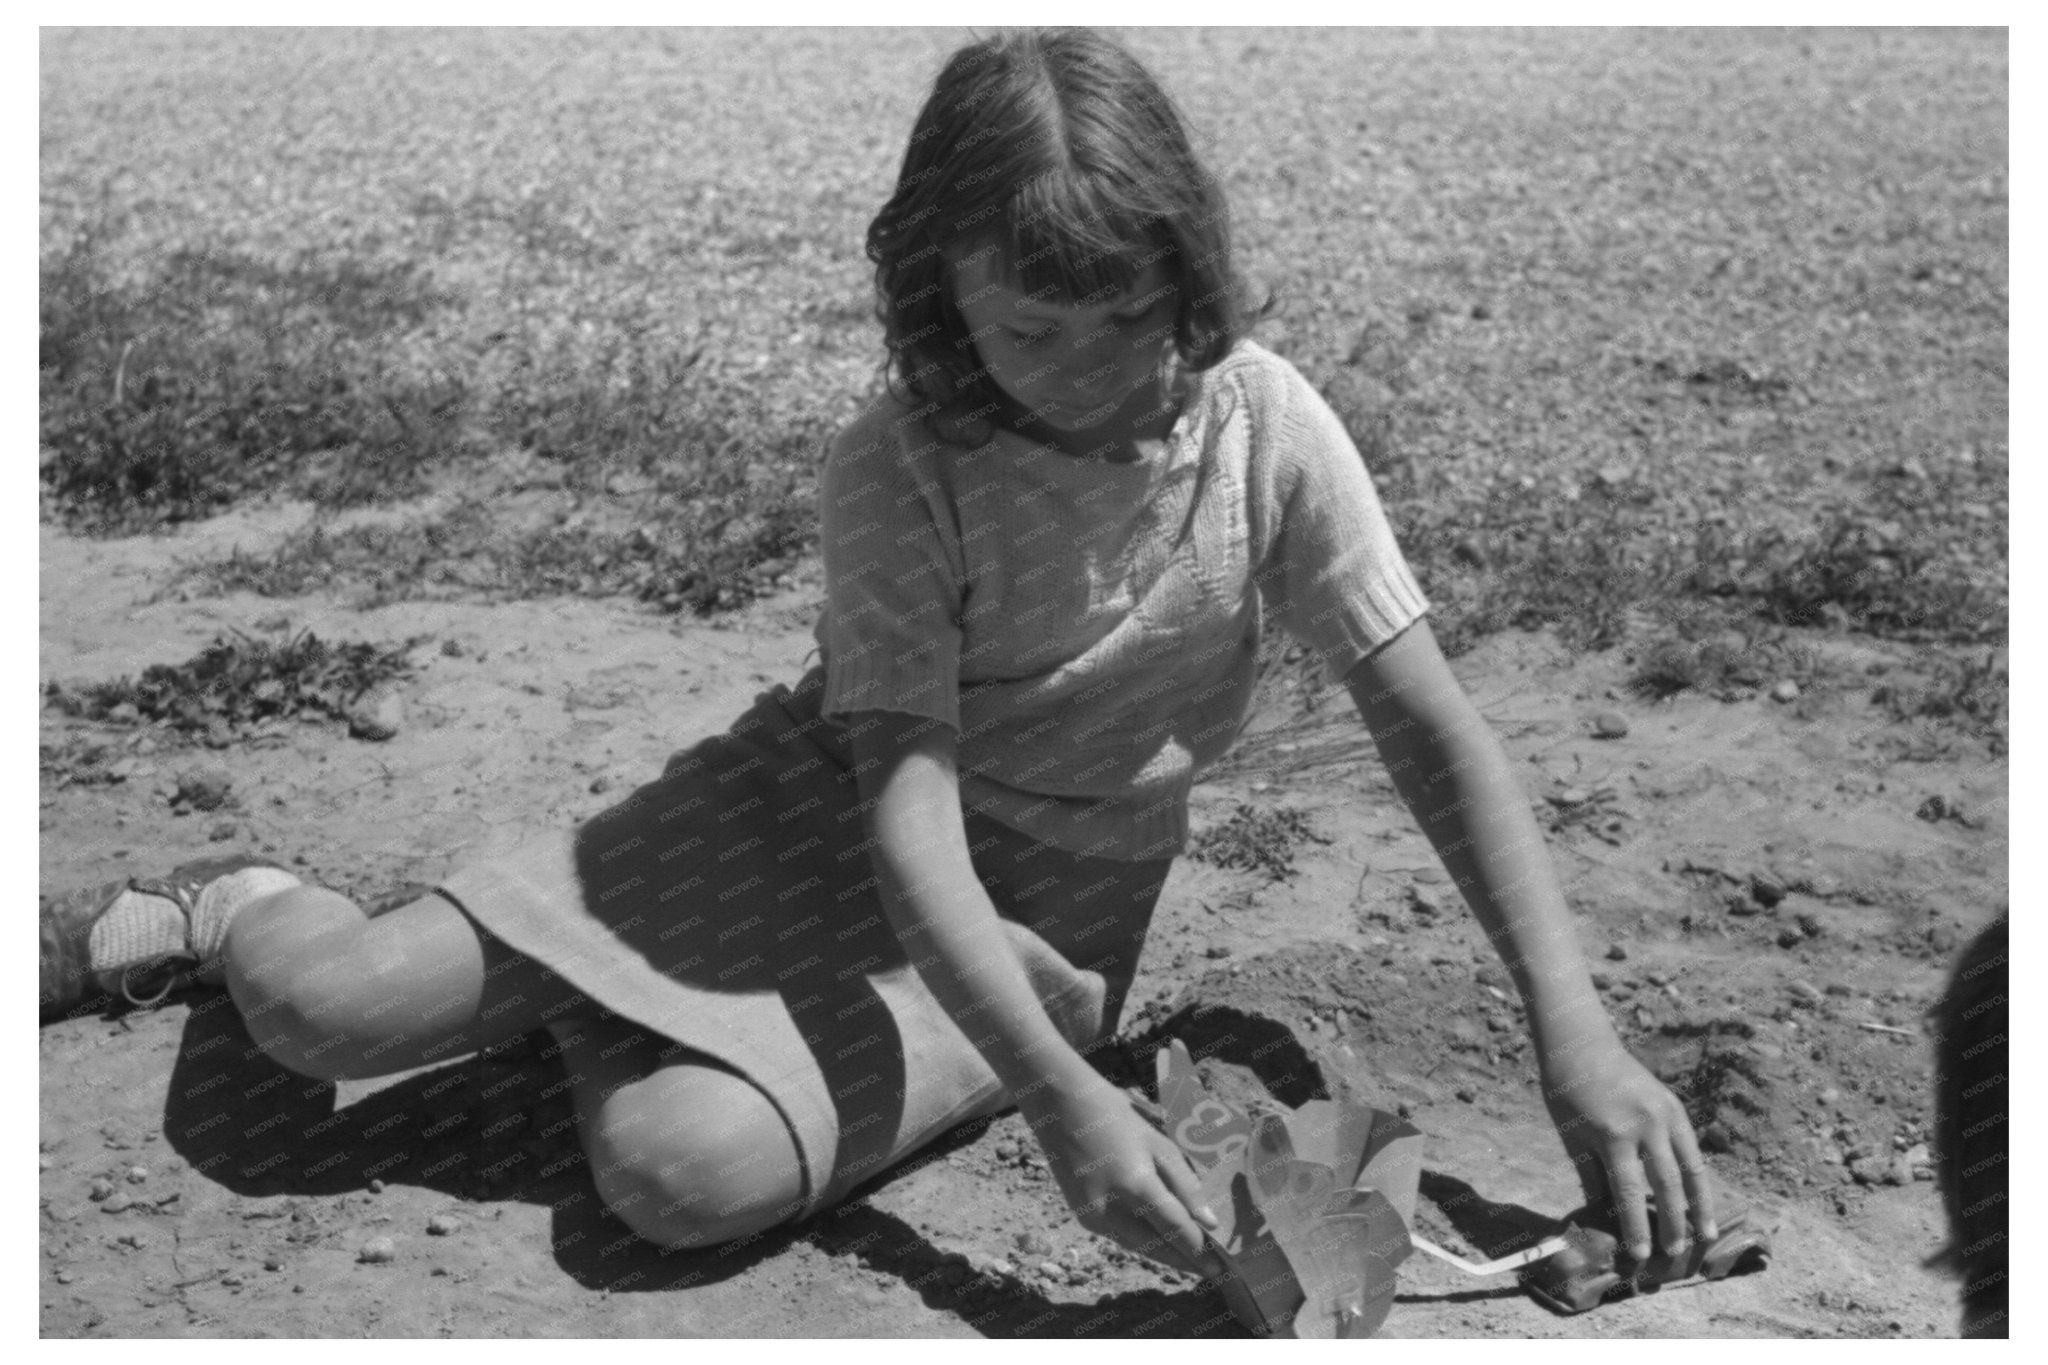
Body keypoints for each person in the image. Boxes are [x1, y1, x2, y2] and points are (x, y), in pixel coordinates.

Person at [40, 27, 1716, 1281]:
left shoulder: (1264, 427)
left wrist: (1577, 1034)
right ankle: (240, 898)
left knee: (674, 1176)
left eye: (1126, 317)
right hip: (805, 806)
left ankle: (600, 1017)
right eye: (1028, 330)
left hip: (1040, 919)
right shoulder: (903, 457)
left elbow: (1433, 725)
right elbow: (903, 810)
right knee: (323, 1008)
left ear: (1186, 274)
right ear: (943, 298)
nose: (1085, 368)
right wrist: (1066, 1110)